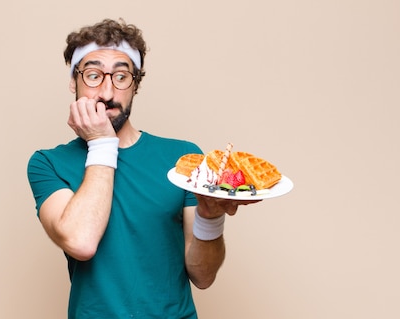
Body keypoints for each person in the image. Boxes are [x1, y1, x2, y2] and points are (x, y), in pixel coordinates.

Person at [27, 18, 259, 318]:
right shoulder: (48, 163)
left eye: (121, 77)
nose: (107, 93)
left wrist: (210, 217)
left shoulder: (183, 158)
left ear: (135, 84)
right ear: (74, 81)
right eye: (94, 75)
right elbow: (81, 242)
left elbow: (203, 276)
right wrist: (101, 143)